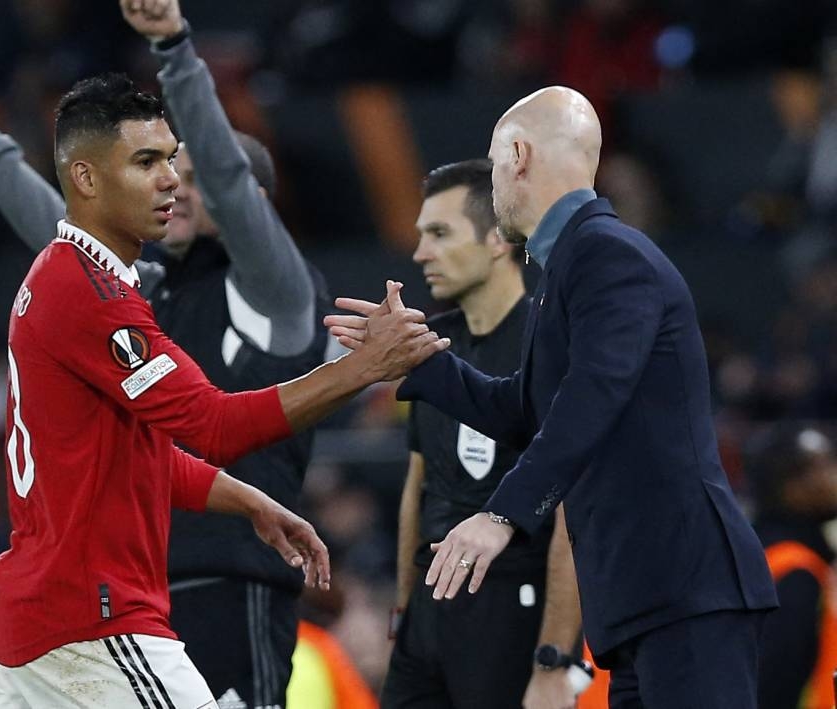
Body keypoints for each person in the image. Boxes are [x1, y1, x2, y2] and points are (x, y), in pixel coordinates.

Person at [0, 72, 445, 708]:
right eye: (146, 162)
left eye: (172, 162)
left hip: (44, 616)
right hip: (93, 620)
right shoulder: (93, 295)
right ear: (87, 179)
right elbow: (214, 426)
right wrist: (365, 365)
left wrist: (249, 502)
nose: (170, 181)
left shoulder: (72, 277)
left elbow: (136, 456)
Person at [0, 2, 341, 705]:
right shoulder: (132, 285)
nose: (172, 185)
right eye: (161, 166)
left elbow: (230, 185)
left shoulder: (276, 289)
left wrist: (174, 48)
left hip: (226, 588)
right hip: (125, 594)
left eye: (187, 172)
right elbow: (56, 216)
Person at [325, 86, 779, 709]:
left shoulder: (607, 255)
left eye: (493, 167)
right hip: (644, 601)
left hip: (685, 591)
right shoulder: (567, 266)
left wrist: (502, 514)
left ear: (517, 154)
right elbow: (528, 412)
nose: (494, 191)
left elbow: (596, 395)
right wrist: (421, 363)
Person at [382, 159, 582, 709]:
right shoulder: (430, 348)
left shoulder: (552, 344)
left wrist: (554, 658)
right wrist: (404, 609)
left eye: (440, 233)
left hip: (513, 606)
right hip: (427, 619)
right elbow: (417, 488)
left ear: (497, 240)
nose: (421, 252)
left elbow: (573, 513)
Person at [747, 424, 837, 709]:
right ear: (787, 486)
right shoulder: (796, 569)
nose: (832, 475)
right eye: (820, 466)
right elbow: (774, 686)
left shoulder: (756, 550)